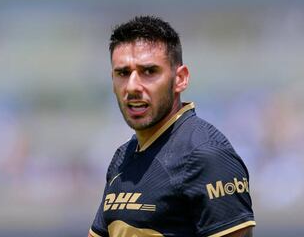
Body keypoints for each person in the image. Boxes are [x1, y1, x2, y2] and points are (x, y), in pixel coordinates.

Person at [88, 16, 255, 237]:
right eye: (123, 73)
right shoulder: (123, 156)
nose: (132, 86)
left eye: (149, 71)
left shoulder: (206, 154)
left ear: (180, 79)